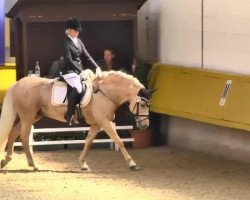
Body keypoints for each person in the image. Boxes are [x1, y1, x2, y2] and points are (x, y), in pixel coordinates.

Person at [62, 17, 102, 125]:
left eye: (78, 31)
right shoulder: (65, 43)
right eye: (75, 30)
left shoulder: (79, 41)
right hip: (69, 71)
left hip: (79, 72)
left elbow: (87, 55)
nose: (77, 32)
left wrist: (97, 67)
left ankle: (82, 112)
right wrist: (80, 70)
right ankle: (69, 115)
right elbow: (69, 60)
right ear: (69, 30)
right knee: (79, 88)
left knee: (89, 85)